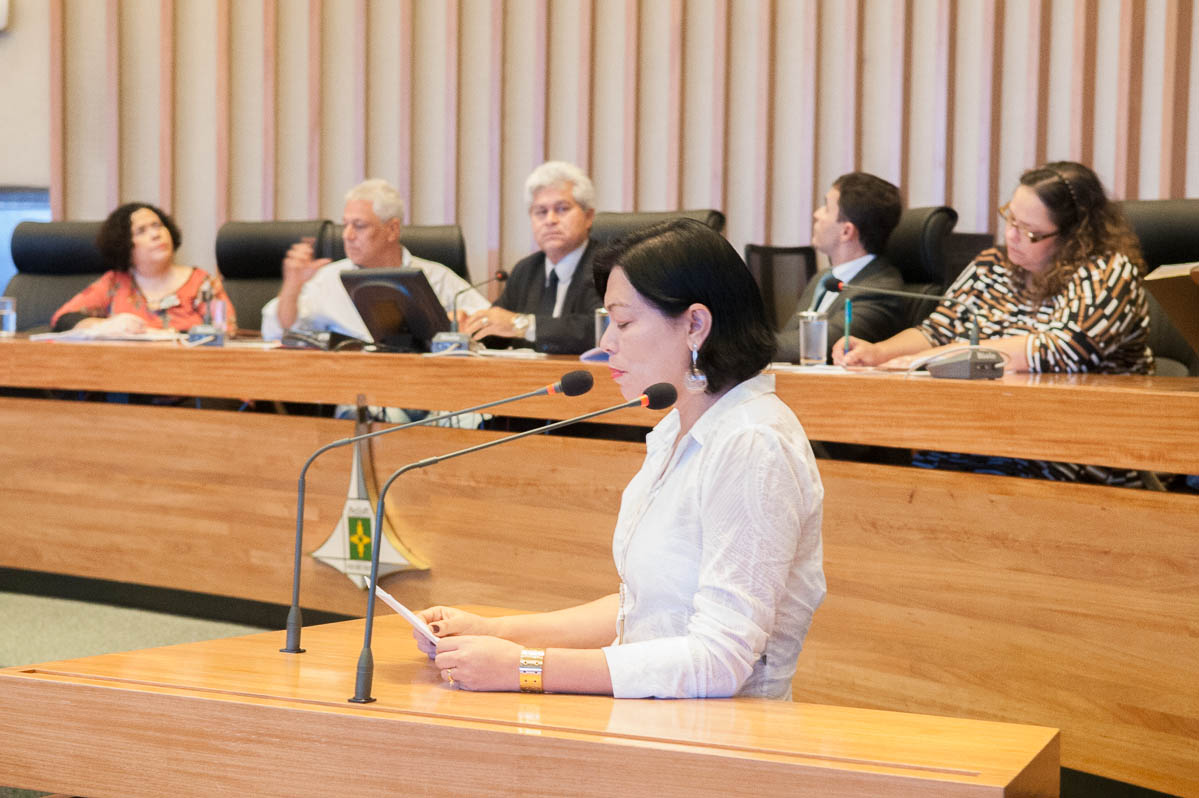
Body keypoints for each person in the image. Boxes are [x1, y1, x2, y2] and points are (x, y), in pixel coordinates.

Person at [416, 219, 826, 699]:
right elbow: (644, 609)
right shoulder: (677, 427)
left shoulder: (753, 442)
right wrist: (496, 631)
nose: (606, 342)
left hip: (722, 732)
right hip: (651, 717)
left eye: (624, 322)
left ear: (696, 324)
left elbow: (718, 661)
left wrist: (525, 667)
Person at [835, 161, 1151, 374]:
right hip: (978, 420)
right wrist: (880, 353)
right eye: (1010, 219)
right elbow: (938, 332)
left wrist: (938, 357)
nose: (1010, 236)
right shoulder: (991, 266)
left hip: (1079, 432)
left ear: (1073, 236)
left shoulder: (1108, 273)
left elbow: (1061, 348)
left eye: (1029, 232)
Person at [260, 178, 488, 342]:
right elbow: (278, 331)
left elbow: (489, 320)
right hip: (349, 382)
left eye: (359, 226)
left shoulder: (438, 278)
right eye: (345, 224)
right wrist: (292, 286)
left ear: (392, 229)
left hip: (423, 384)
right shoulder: (328, 278)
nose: (347, 235)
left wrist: (460, 323)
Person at [460, 161, 602, 354]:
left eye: (562, 209)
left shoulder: (607, 268)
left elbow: (599, 329)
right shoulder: (526, 270)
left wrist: (523, 325)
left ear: (588, 217)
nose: (550, 220)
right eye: (541, 212)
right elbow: (499, 330)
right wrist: (466, 328)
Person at [51, 203, 236, 337]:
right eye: (141, 231)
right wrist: (105, 325)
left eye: (158, 226)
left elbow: (227, 331)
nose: (156, 234)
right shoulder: (114, 283)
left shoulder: (202, 283)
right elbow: (62, 319)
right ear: (124, 245)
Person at [776, 172, 905, 361]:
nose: (817, 214)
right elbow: (787, 340)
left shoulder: (880, 290)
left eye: (827, 208)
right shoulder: (823, 279)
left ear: (846, 231)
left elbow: (813, 346)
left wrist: (742, 347)